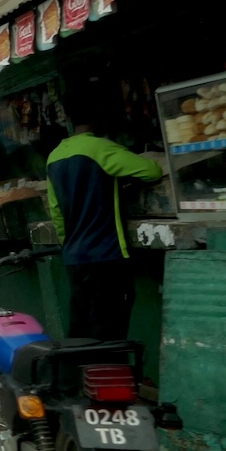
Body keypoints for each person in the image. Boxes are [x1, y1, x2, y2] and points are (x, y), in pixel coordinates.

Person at [46, 94, 163, 342]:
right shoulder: (101, 148)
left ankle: (78, 377)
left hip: (74, 259)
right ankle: (108, 377)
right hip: (107, 256)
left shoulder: (54, 156)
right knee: (110, 330)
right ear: (100, 118)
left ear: (67, 118)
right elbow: (152, 171)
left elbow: (56, 212)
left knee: (80, 328)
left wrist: (70, 245)